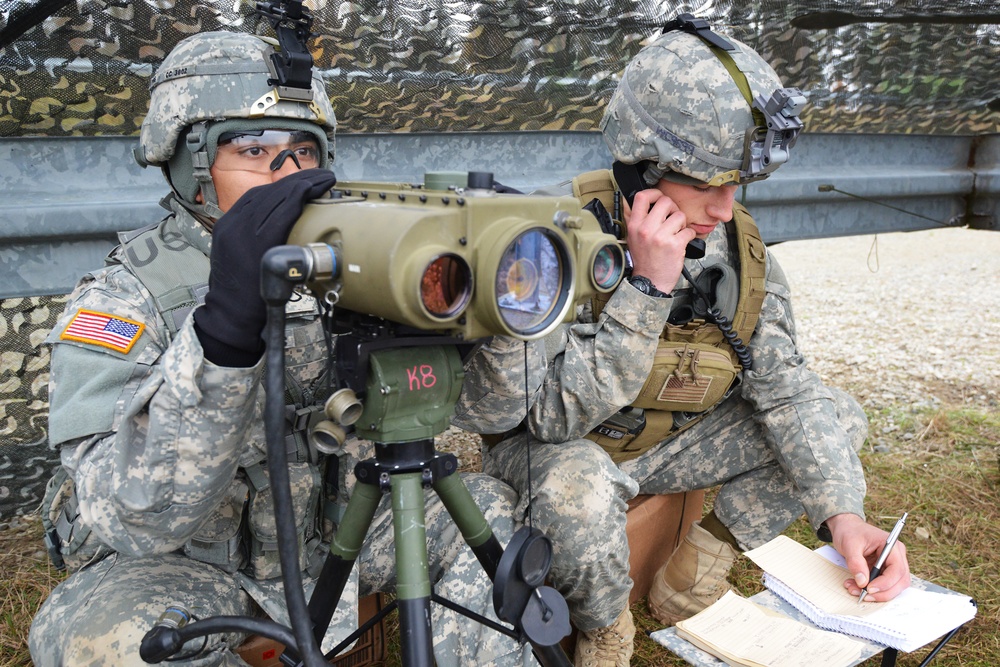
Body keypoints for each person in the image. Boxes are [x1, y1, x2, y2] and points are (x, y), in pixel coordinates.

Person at [29, 30, 534, 666]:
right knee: (105, 643)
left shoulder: (350, 260)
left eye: (304, 148)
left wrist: (491, 291)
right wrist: (223, 336)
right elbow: (136, 519)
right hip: (195, 564)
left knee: (488, 514)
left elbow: (495, 413)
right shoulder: (123, 298)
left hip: (344, 529)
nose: (289, 172)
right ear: (192, 165)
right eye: (253, 149)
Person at [453, 17, 912, 667]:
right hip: (565, 458)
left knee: (837, 416)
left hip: (664, 451)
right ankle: (605, 622)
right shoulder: (550, 239)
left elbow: (788, 394)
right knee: (577, 487)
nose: (726, 209)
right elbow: (549, 419)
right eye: (707, 183)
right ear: (643, 169)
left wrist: (844, 516)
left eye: (735, 184)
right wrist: (645, 290)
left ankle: (688, 578)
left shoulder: (736, 249)